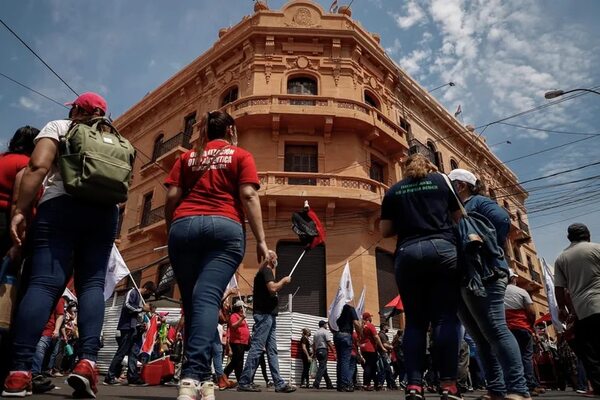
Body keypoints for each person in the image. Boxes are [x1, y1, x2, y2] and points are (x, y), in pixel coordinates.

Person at [3, 93, 119, 399]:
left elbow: (37, 168)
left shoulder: (59, 126)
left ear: (78, 110)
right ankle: (87, 363)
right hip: (104, 214)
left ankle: (18, 372)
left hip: (60, 207)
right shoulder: (114, 139)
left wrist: (20, 212)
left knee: (42, 284)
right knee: (92, 285)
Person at [164, 110, 270, 400]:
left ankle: (205, 379)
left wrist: (172, 227)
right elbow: (248, 195)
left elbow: (172, 197)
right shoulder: (240, 155)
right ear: (231, 131)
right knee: (207, 300)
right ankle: (194, 377)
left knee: (193, 304)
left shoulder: (186, 158)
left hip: (183, 228)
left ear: (205, 132)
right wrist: (261, 241)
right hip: (225, 228)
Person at [379, 153, 462, 400]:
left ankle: (414, 385)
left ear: (404, 168)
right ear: (429, 166)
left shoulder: (394, 190)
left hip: (407, 253)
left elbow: (385, 231)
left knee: (415, 322)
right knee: (445, 319)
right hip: (443, 249)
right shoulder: (441, 182)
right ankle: (449, 384)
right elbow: (460, 218)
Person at [449, 168, 531, 400]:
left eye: (451, 185)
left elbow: (502, 219)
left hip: (487, 273)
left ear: (461, 186)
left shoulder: (478, 202)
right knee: (479, 335)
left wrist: (488, 246)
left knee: (496, 328)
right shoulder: (457, 209)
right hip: (466, 275)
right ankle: (496, 388)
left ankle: (518, 389)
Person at [0, 126, 38, 386]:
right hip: (7, 228)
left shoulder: (3, 160)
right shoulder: (27, 165)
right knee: (8, 292)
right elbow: (19, 202)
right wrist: (18, 241)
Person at [236, 250, 295, 393]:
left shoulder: (262, 272)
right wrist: (284, 281)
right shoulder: (267, 271)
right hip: (265, 316)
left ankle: (279, 383)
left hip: (268, 316)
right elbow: (272, 288)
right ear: (271, 259)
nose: (277, 261)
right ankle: (244, 381)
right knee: (257, 348)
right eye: (276, 258)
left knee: (272, 350)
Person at [554, 223, 600, 395]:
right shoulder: (597, 248)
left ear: (569, 238)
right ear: (588, 235)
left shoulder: (562, 258)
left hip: (583, 310)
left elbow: (559, 288)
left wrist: (562, 309)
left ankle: (597, 386)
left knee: (589, 351)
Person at [105, 281, 156, 386]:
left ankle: (133, 378)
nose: (149, 295)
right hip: (126, 327)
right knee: (121, 352)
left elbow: (137, 315)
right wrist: (142, 309)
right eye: (150, 292)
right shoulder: (132, 292)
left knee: (133, 354)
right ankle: (109, 377)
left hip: (135, 329)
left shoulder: (141, 298)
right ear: (146, 288)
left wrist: (142, 323)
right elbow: (127, 306)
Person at [504, 270, 541, 396]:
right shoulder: (521, 291)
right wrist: (531, 326)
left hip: (506, 330)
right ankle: (530, 385)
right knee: (526, 357)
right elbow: (531, 312)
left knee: (511, 357)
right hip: (523, 327)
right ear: (513, 279)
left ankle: (513, 385)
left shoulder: (498, 292)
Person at [334, 303, 362, 392]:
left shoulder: (340, 316)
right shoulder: (351, 309)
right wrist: (360, 334)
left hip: (337, 335)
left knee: (340, 361)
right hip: (346, 335)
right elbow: (356, 323)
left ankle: (340, 384)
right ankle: (345, 384)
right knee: (345, 361)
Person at [359, 312, 387, 391]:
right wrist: (382, 347)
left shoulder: (361, 327)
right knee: (369, 366)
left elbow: (360, 338)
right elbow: (376, 337)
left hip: (363, 348)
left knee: (373, 367)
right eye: (370, 317)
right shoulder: (370, 325)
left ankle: (377, 384)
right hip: (370, 348)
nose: (371, 318)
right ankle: (366, 384)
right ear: (368, 318)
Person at [224, 301, 250, 383]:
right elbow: (233, 326)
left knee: (240, 361)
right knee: (236, 360)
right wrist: (242, 319)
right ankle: (225, 373)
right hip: (236, 341)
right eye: (243, 307)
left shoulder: (241, 316)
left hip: (243, 342)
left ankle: (239, 378)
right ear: (240, 308)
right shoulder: (234, 316)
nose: (244, 309)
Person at [312, 320, 334, 390]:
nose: (326, 325)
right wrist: (333, 351)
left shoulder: (316, 333)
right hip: (323, 350)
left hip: (318, 350)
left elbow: (314, 344)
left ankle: (329, 384)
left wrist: (314, 353)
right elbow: (328, 342)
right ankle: (316, 384)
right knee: (322, 367)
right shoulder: (325, 332)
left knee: (323, 368)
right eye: (326, 324)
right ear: (323, 325)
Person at [377, 322, 397, 390]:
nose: (388, 328)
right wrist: (391, 347)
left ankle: (388, 385)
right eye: (387, 326)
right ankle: (392, 385)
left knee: (386, 370)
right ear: (384, 327)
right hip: (383, 354)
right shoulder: (382, 335)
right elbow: (384, 345)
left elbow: (387, 343)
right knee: (387, 370)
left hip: (384, 354)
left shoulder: (382, 335)